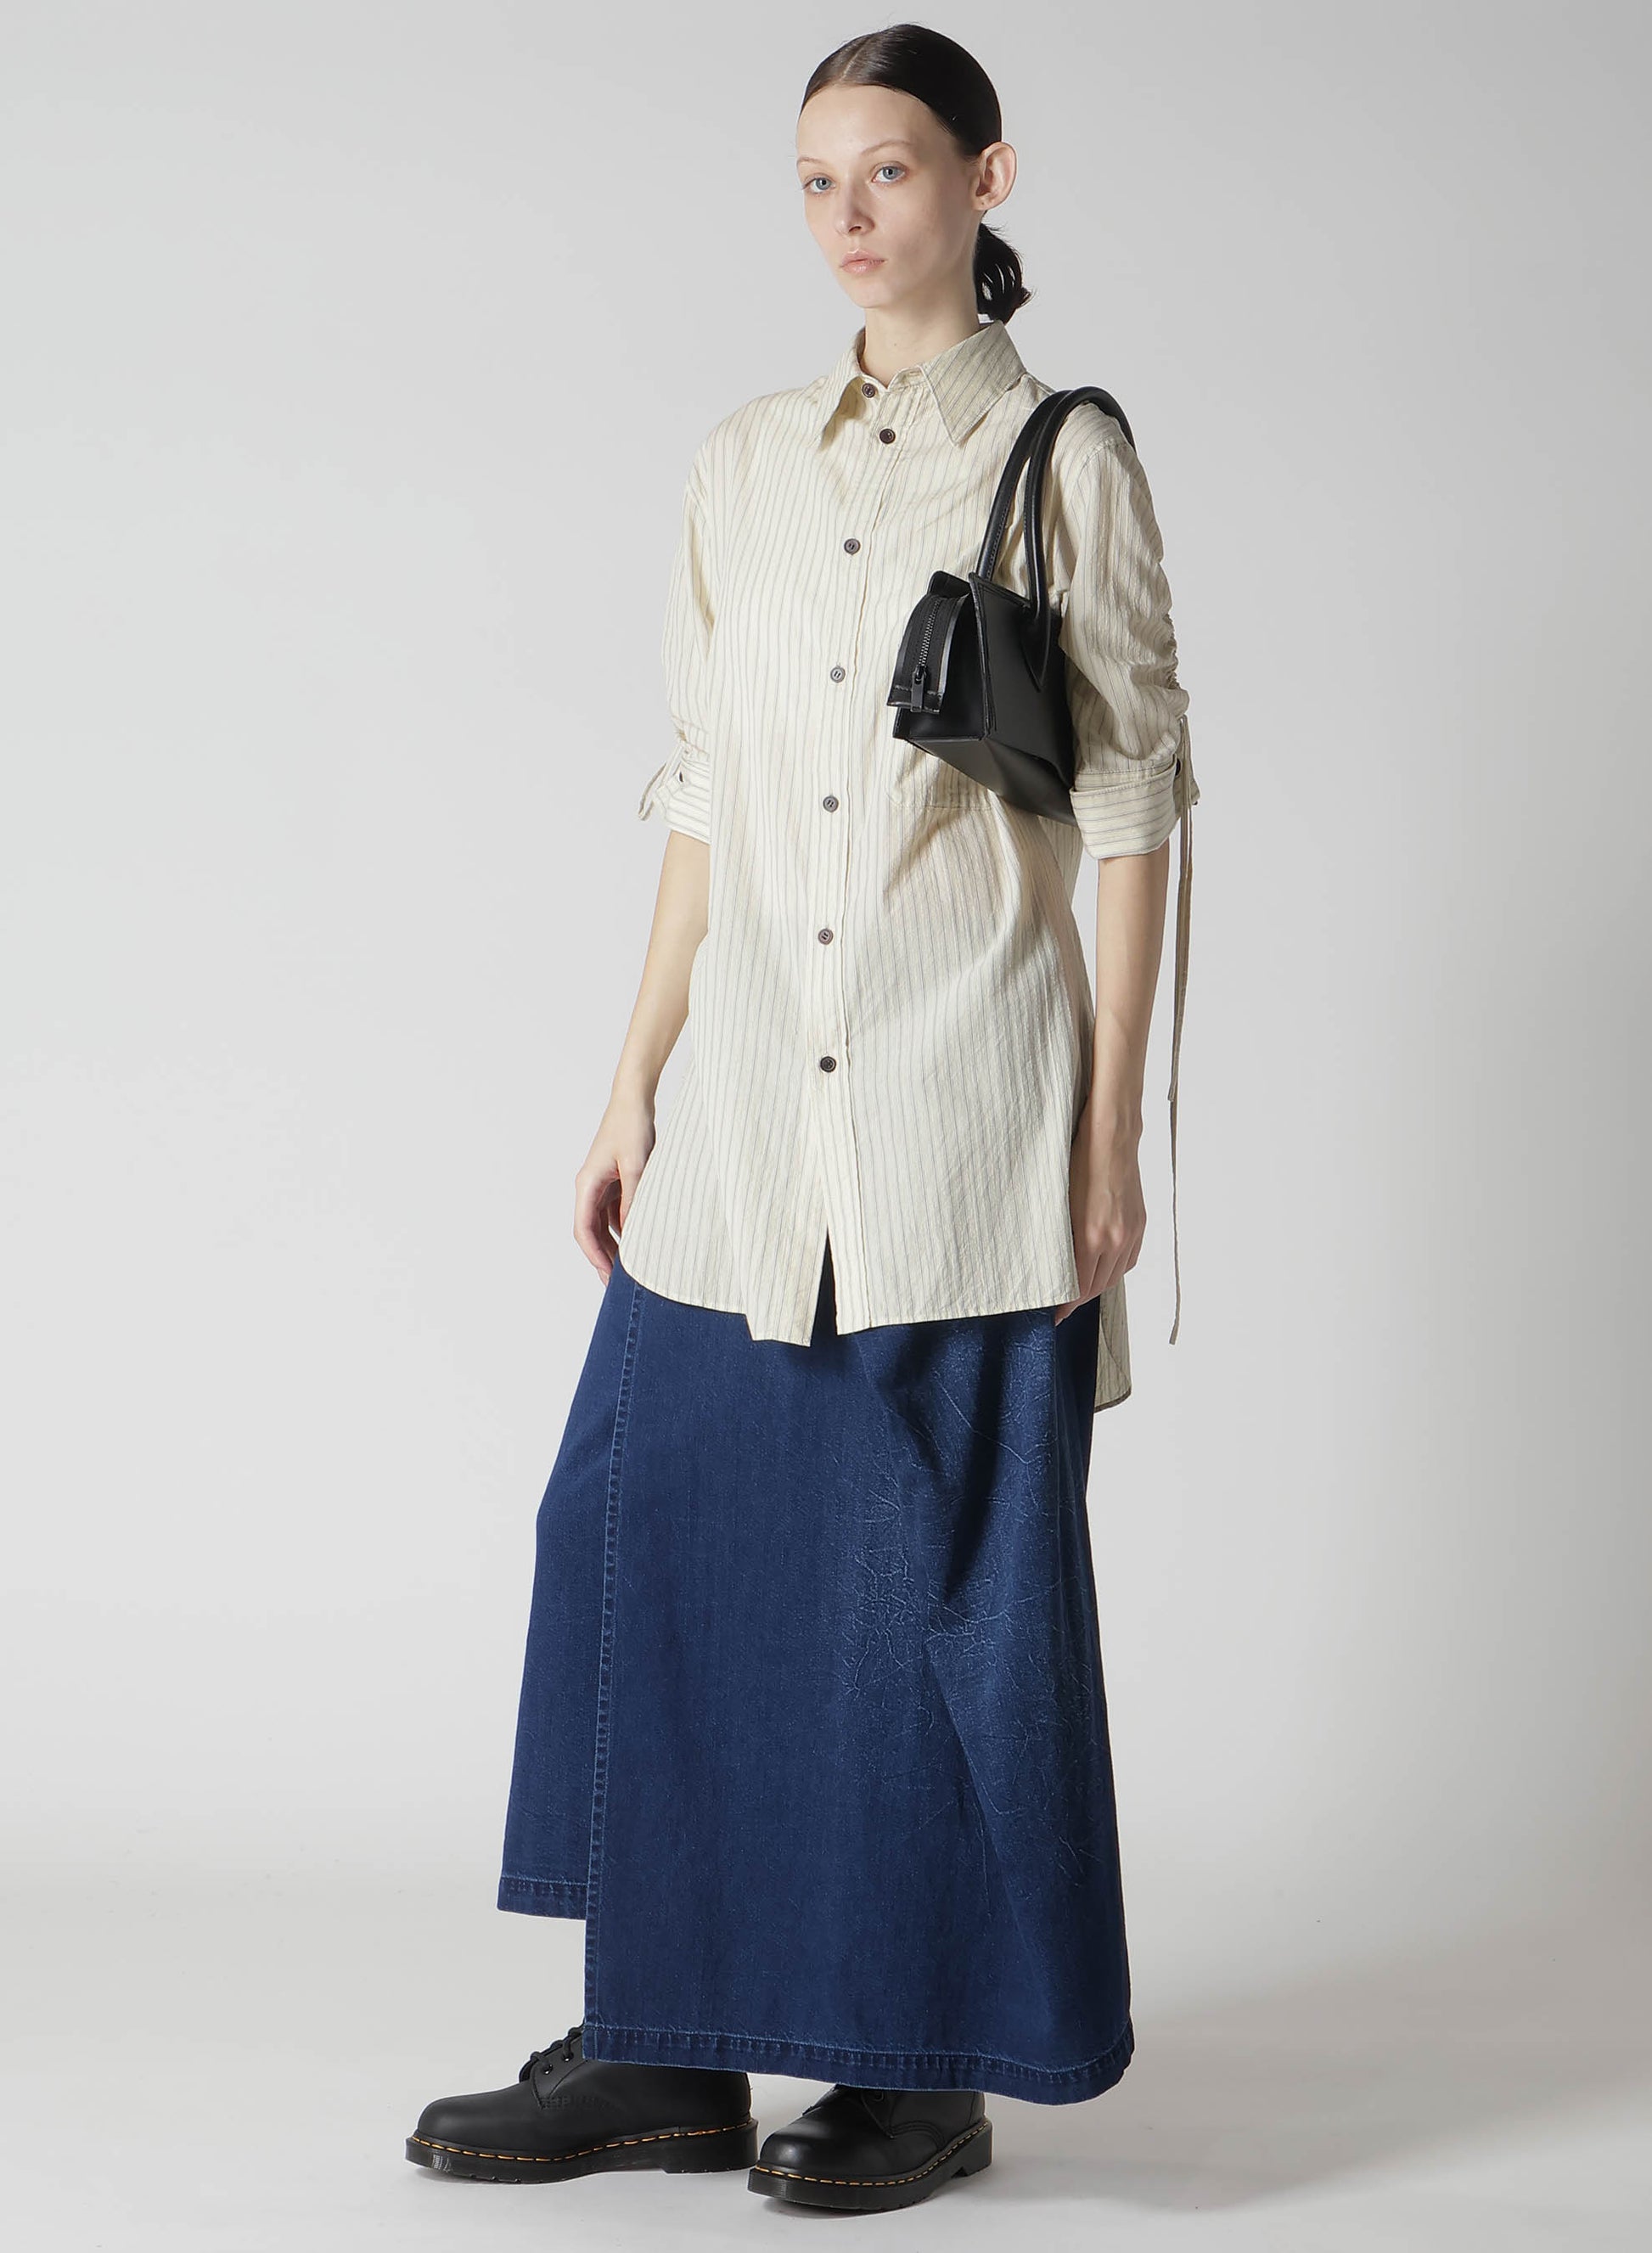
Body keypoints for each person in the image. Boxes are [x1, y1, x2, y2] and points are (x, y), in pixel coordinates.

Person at [404, 20, 1198, 2216]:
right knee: (643, 1544)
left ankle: (914, 2068)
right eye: (816, 182)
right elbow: (702, 800)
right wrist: (629, 1079)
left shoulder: (1062, 465)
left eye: (891, 172)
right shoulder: (743, 464)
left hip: (960, 1117)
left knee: (929, 1609)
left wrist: (1112, 1136)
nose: (850, 218)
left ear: (985, 179)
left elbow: (1138, 812)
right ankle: (662, 2055)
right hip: (746, 1122)